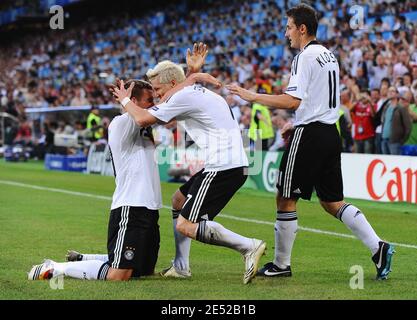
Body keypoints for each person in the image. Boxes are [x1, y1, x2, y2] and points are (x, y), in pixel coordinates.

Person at [227, 4, 394, 280]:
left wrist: (251, 95)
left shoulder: (304, 57)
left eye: (289, 27)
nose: (286, 33)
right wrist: (298, 122)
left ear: (302, 29)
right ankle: (378, 247)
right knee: (332, 201)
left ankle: (281, 265)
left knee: (285, 196)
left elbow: (293, 100)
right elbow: (320, 100)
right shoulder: (329, 55)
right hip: (330, 132)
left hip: (311, 134)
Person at [111, 62, 266, 285]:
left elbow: (143, 118)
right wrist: (193, 75)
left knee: (186, 224)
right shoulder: (193, 93)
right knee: (178, 200)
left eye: (158, 89)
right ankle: (181, 266)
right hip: (230, 163)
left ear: (173, 83)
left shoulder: (183, 97)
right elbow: (168, 114)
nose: (156, 95)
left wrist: (124, 100)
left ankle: (248, 246)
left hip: (224, 165)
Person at [28, 80, 162, 281]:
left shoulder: (143, 123)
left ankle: (84, 258)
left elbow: (166, 110)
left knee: (143, 270)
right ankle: (55, 268)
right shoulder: (122, 122)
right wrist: (192, 78)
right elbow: (153, 112)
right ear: (133, 101)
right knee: (119, 275)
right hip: (131, 205)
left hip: (149, 206)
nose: (154, 104)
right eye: (149, 100)